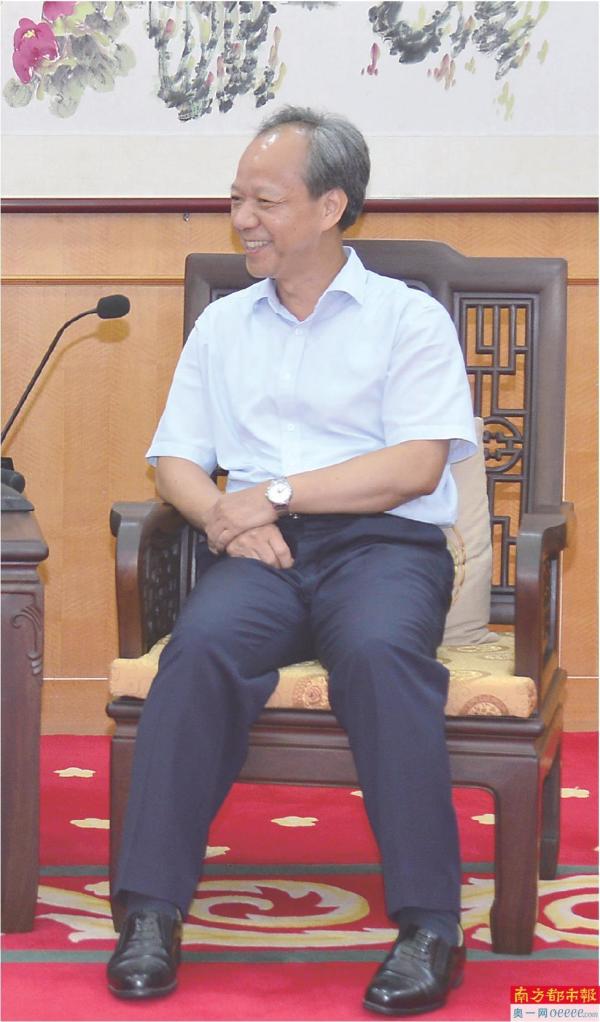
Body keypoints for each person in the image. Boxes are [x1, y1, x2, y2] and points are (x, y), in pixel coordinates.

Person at [107, 105, 476, 1016]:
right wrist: (224, 519)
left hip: (384, 548)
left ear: (330, 206)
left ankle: (430, 926)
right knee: (198, 652)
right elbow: (175, 460)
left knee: (381, 657)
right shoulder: (225, 326)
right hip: (259, 554)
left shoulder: (407, 320)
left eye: (264, 201)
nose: (243, 219)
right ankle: (150, 913)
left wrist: (271, 494)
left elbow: (415, 466)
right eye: (236, 199)